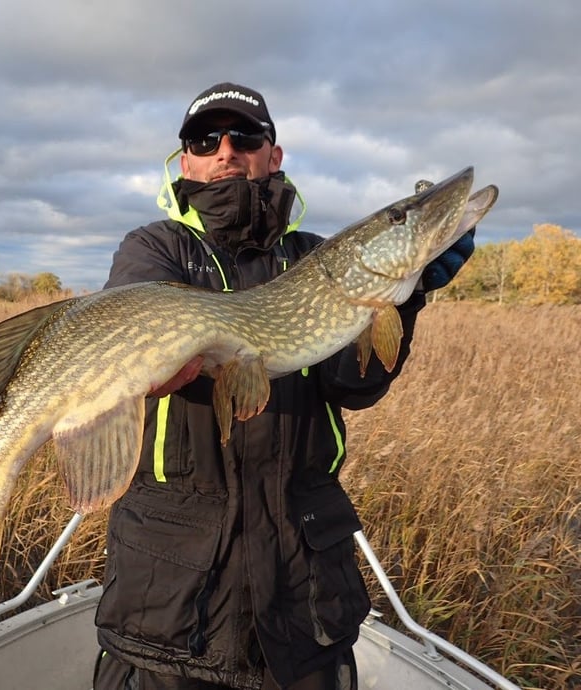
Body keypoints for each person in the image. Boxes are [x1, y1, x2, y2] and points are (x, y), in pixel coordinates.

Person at [93, 83, 474, 690]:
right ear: (185, 160)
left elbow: (355, 385)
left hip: (303, 599)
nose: (225, 151)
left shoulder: (313, 259)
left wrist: (410, 295)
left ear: (274, 155)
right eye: (205, 139)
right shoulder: (155, 250)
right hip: (169, 606)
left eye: (245, 137)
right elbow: (139, 343)